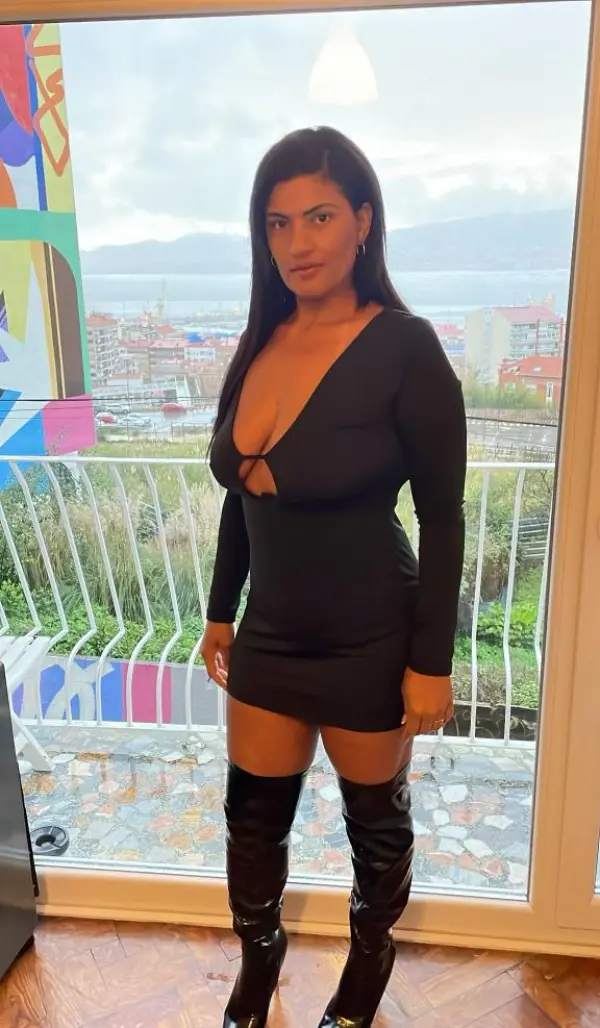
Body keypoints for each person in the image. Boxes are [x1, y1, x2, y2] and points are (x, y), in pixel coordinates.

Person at [200, 125, 466, 1028]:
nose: (297, 242)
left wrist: (432, 662)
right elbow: (241, 496)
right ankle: (260, 959)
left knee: (375, 831)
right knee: (250, 823)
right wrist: (221, 611)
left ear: (362, 220)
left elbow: (443, 519)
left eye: (319, 217)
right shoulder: (263, 338)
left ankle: (367, 970)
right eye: (278, 223)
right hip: (270, 635)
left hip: (371, 639)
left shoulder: (405, 348)